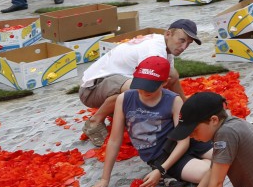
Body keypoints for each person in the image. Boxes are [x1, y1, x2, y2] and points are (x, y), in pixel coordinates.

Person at [82, 57, 213, 187]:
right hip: (162, 156)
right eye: (140, 85)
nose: (144, 91)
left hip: (185, 144)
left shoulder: (174, 100)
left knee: (227, 157)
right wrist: (104, 179)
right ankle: (181, 170)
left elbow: (183, 141)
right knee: (207, 172)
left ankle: (184, 169)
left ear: (164, 82)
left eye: (150, 87)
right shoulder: (124, 99)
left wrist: (160, 171)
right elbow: (114, 140)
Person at [79, 19, 201, 147]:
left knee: (167, 78)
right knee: (143, 90)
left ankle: (117, 115)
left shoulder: (164, 46)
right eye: (181, 40)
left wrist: (184, 106)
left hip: (111, 84)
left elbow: (170, 81)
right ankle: (95, 121)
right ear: (168, 34)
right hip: (91, 89)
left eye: (188, 43)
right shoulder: (154, 50)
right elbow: (153, 88)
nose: (184, 47)